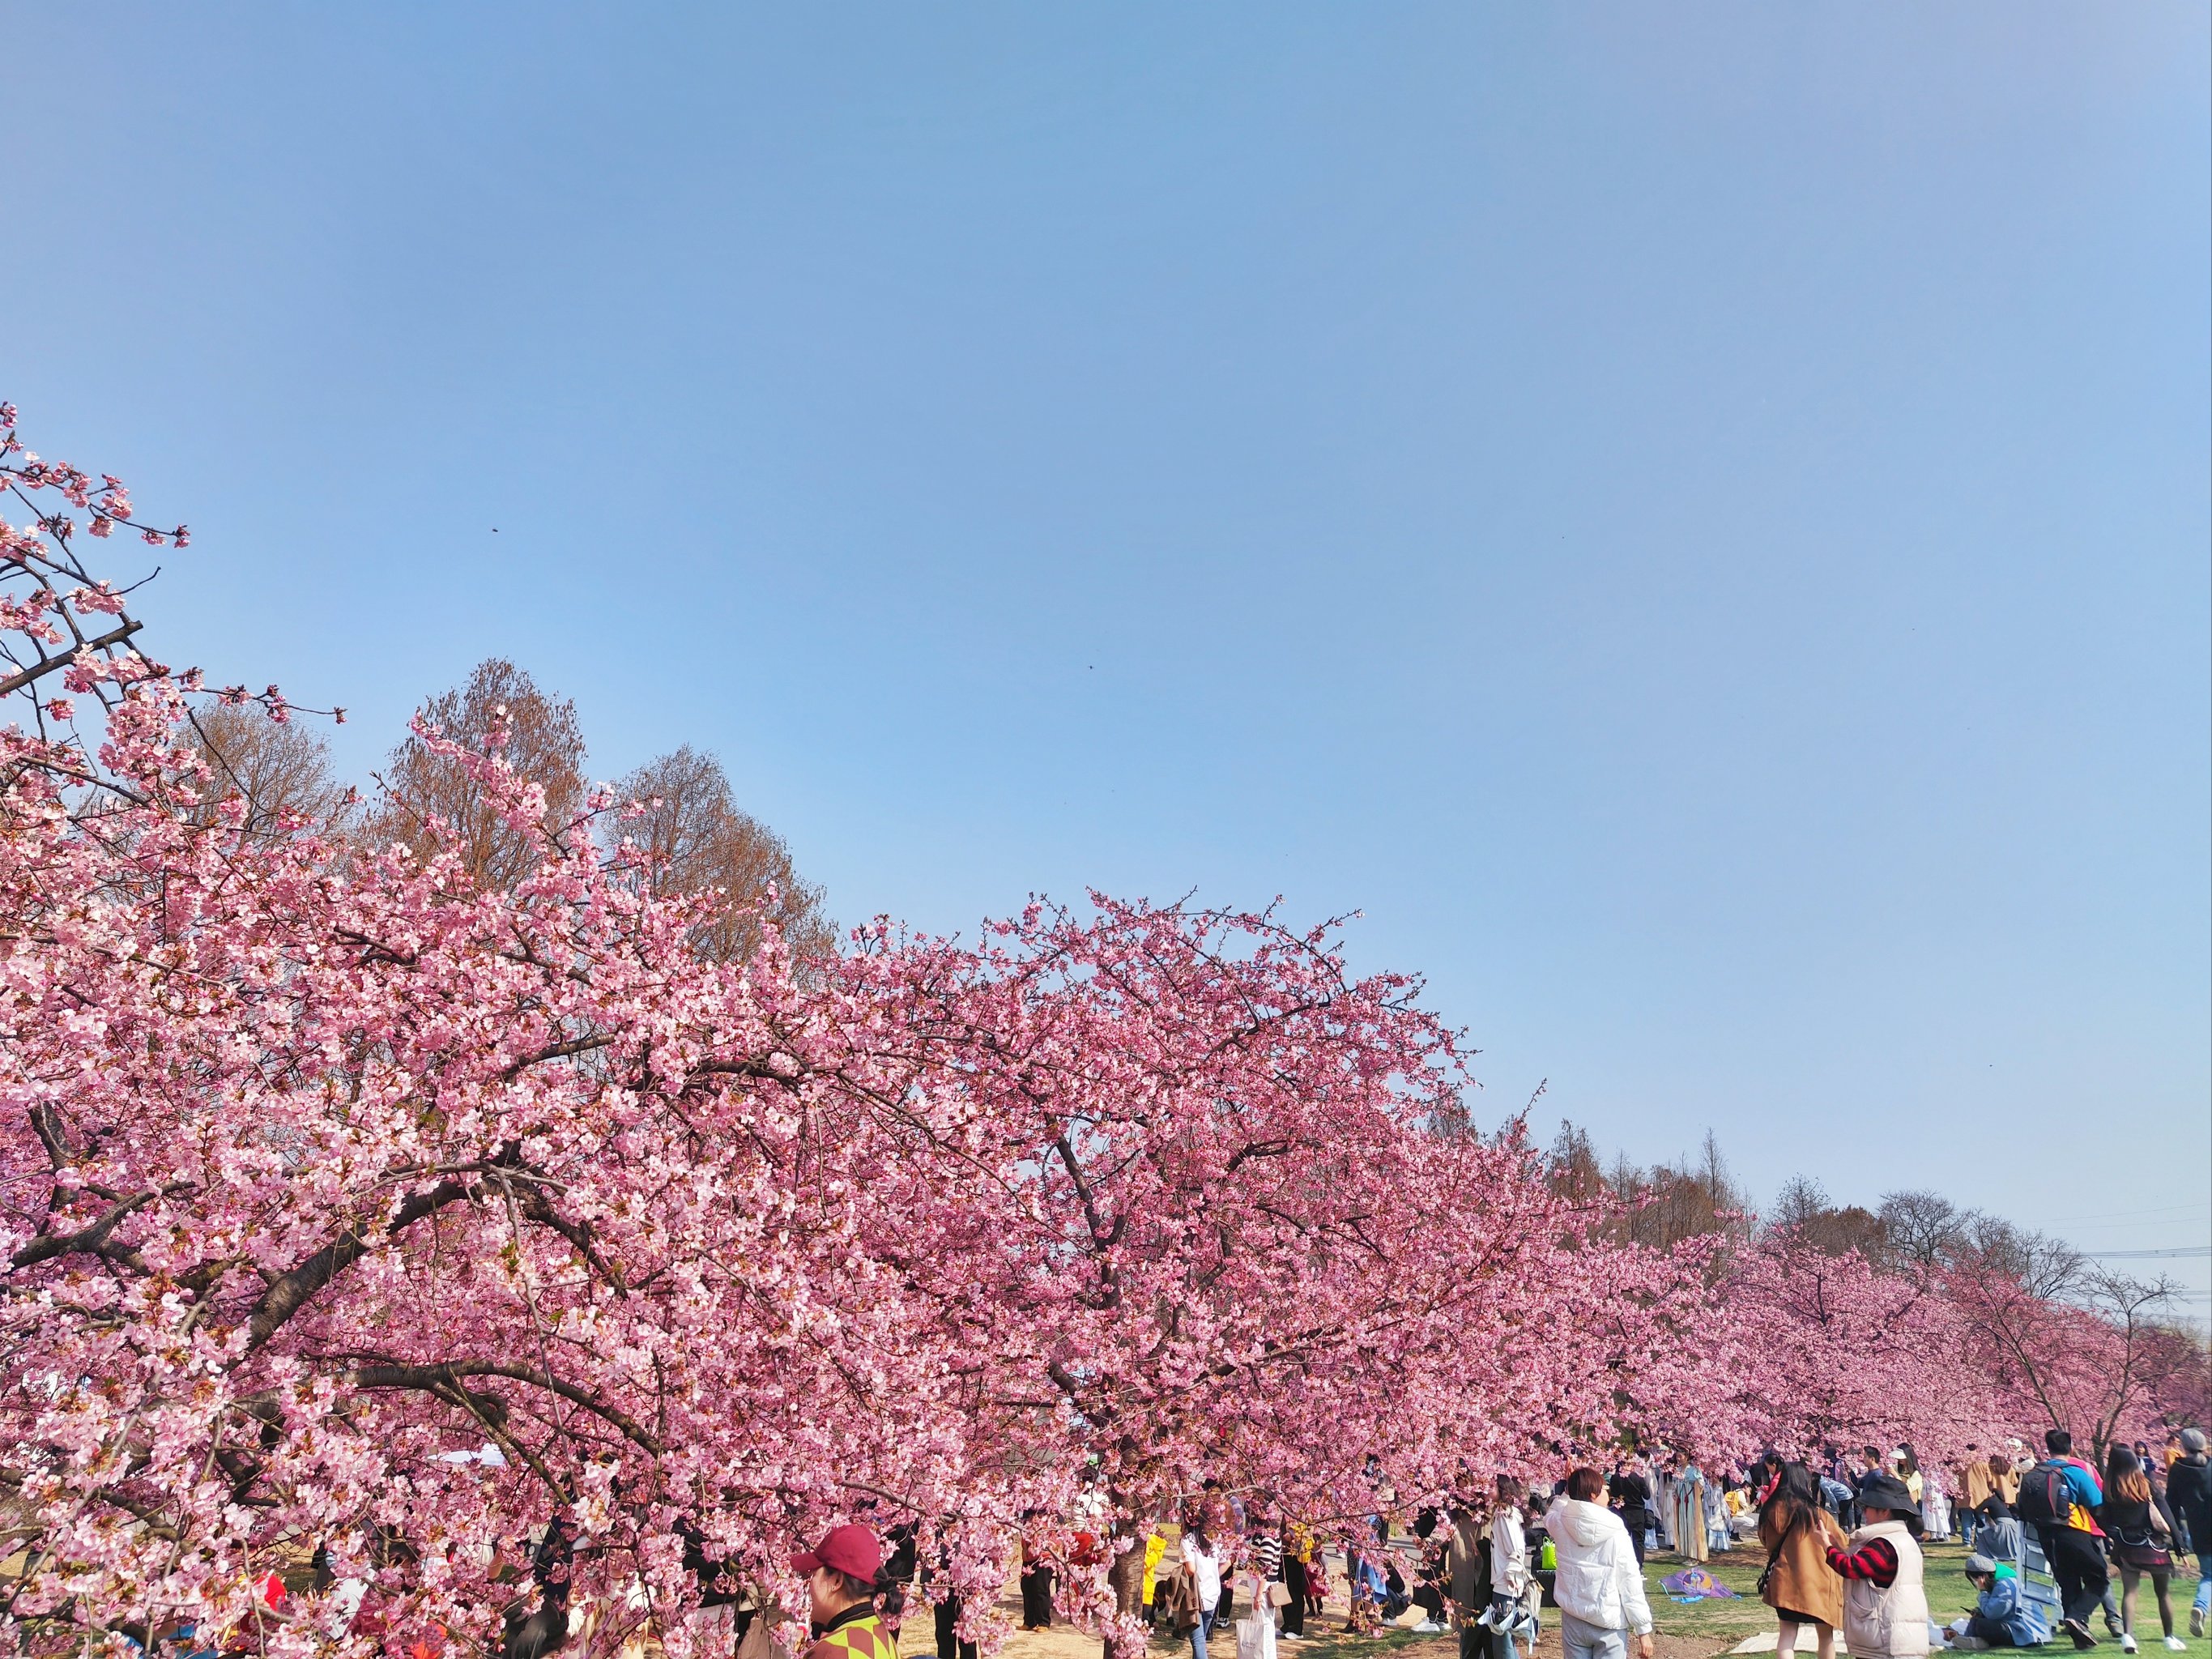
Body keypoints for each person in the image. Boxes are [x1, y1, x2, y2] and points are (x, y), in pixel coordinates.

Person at [1545, 1465, 1656, 1659]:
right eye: (1605, 1488)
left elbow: (1552, 1514)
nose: (1609, 1492)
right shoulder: (1615, 1531)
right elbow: (1629, 1580)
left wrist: (1569, 1491)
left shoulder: (1562, 1523)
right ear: (1594, 1494)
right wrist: (1643, 1629)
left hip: (1574, 1618)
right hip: (1608, 1622)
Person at [1825, 1469, 1930, 1659]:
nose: (1864, 1513)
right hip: (1901, 1635)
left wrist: (1827, 1547)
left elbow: (1852, 1568)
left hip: (1886, 1638)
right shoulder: (1903, 1539)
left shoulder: (1885, 1543)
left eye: (1868, 1508)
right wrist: (1837, 1547)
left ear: (1884, 1511)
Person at [2019, 1430, 2108, 1650]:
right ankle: (2078, 1618)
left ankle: (2080, 1637)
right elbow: (2096, 1503)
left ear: (2047, 1449)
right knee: (2098, 1578)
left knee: (2068, 1583)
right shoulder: (2074, 1473)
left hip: (2046, 1536)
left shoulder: (2035, 1472)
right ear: (2070, 1448)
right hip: (2074, 1532)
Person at [1761, 1459, 1851, 1659]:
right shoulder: (1818, 1514)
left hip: (1785, 1582)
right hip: (1818, 1583)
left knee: (1787, 1635)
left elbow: (1765, 1540)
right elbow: (1842, 1543)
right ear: (1805, 1483)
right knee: (1825, 1637)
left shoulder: (1771, 1511)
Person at [2098, 1444, 2180, 1654]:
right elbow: (2167, 1515)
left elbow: (2102, 1517)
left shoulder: (2110, 1489)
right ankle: (2169, 1637)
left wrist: (2113, 1534)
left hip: (2127, 1545)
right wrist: (2178, 1543)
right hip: (2154, 1545)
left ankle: (2127, 1636)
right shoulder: (2146, 1485)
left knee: (2130, 1593)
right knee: (2163, 1594)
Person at [792, 1525, 896, 1659]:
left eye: (814, 1575)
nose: (809, 1585)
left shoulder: (830, 1652)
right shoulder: (883, 1636)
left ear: (836, 1581)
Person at [1948, 1552, 2050, 1649]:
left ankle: (1977, 1641)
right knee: (1977, 1619)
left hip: (2028, 1633)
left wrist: (1983, 1592)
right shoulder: (2004, 1582)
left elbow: (1992, 1614)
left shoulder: (2005, 1586)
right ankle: (1972, 1640)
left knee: (1981, 1625)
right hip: (2019, 1628)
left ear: (1981, 1577)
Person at [2165, 1429, 2210, 1637]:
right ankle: (2201, 1607)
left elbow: (2171, 1505)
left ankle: (2201, 1607)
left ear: (2183, 1446)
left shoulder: (2177, 1470)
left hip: (2199, 1531)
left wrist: (2177, 1538)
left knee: (2209, 1575)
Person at [1486, 1475, 1533, 1659]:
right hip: (1506, 1581)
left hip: (1506, 1584)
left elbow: (1516, 1549)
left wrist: (1510, 1575)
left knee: (1503, 1637)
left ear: (1502, 1491)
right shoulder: (1504, 1514)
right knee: (1505, 1636)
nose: (1486, 1490)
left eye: (1491, 1486)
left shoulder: (1505, 1514)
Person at [1447, 1501, 1494, 1659]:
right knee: (1466, 1631)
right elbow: (1441, 1530)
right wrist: (1429, 1543)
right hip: (1464, 1577)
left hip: (1487, 1580)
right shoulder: (1455, 1512)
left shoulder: (1492, 1511)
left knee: (1488, 1631)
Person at [1182, 1522, 1224, 1659]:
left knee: (1199, 1643)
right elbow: (1229, 1561)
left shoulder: (1188, 1540)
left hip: (1195, 1597)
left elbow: (1191, 1569)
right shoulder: (1216, 1539)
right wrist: (1214, 1574)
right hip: (1213, 1595)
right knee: (1201, 1641)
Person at [1609, 1460, 1653, 1566]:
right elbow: (1647, 1495)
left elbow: (1614, 1494)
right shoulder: (1638, 1478)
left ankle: (1623, 1564)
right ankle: (1639, 1565)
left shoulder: (1615, 1478)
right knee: (1638, 1541)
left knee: (1623, 1540)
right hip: (1637, 1512)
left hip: (1622, 1511)